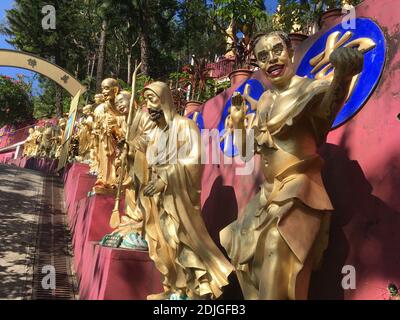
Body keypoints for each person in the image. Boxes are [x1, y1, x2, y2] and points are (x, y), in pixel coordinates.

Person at [220, 31, 364, 300]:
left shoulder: (308, 88)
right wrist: (239, 123)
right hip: (267, 197)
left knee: (280, 265)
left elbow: (326, 113)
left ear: (290, 52)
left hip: (300, 192)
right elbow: (246, 150)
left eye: (277, 50)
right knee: (246, 263)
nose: (271, 59)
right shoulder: (264, 101)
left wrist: (342, 78)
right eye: (263, 57)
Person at [142, 81, 233, 300]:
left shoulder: (185, 126)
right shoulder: (155, 134)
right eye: (146, 101)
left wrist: (166, 177)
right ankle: (176, 287)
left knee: (180, 239)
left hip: (179, 199)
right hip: (159, 199)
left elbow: (194, 160)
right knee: (165, 245)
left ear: (164, 100)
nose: (148, 106)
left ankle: (198, 288)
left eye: (152, 100)